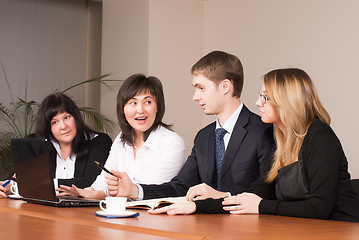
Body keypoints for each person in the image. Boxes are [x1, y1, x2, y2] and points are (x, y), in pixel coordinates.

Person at [151, 68, 359, 222]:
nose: (258, 103)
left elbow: (319, 208)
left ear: (288, 101)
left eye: (265, 97)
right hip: (301, 230)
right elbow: (252, 196)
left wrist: (260, 206)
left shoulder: (320, 135)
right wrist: (196, 206)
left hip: (341, 229)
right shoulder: (281, 141)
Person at [105, 51, 274, 202]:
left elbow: (267, 192)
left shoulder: (263, 131)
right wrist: (134, 190)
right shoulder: (204, 137)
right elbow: (179, 187)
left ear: (225, 87)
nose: (195, 96)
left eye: (201, 88)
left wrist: (224, 196)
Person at [57, 74, 186, 200]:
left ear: (157, 106)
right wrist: (89, 192)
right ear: (123, 109)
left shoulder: (173, 143)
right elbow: (105, 179)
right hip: (122, 215)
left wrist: (117, 189)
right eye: (133, 103)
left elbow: (153, 192)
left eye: (147, 102)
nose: (140, 110)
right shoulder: (121, 139)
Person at [0, 92, 112, 199]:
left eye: (67, 117)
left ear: (76, 118)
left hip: (84, 214)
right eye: (55, 122)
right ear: (47, 128)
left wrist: (41, 184)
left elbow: (92, 182)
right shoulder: (37, 143)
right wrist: (8, 187)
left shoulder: (99, 142)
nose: (63, 126)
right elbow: (17, 178)